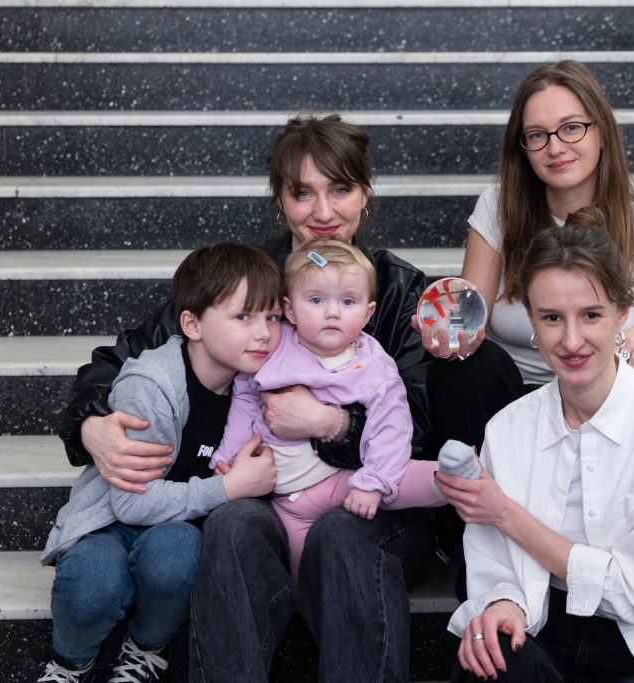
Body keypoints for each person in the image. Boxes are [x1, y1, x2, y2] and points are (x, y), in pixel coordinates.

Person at [57, 113, 436, 683]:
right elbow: (121, 359)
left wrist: (331, 423)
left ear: (365, 193)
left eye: (340, 189)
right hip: (271, 490)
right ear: (280, 200)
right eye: (302, 193)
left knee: (341, 533)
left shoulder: (401, 290)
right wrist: (90, 426)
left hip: (370, 500)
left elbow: (420, 426)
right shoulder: (251, 280)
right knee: (232, 522)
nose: (323, 212)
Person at [436, 210, 634, 682]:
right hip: (541, 623)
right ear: (531, 319)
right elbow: (494, 562)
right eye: (552, 318)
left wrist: (506, 513)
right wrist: (504, 603)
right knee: (489, 662)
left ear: (622, 312)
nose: (572, 341)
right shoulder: (507, 429)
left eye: (590, 315)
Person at [38, 243, 281, 683]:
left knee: (177, 558)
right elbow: (131, 503)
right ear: (192, 324)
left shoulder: (258, 385)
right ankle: (70, 663)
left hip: (176, 525)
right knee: (93, 581)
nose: (264, 332)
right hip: (110, 521)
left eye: (273, 317)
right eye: (243, 317)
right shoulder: (152, 384)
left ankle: (145, 649)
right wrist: (227, 488)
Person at [422, 59, 634, 454]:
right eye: (537, 135)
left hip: (606, 396)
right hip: (513, 402)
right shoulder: (499, 208)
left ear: (602, 132)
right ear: (522, 148)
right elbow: (466, 318)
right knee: (466, 367)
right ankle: (468, 484)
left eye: (571, 127)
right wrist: (447, 328)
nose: (555, 148)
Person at [213, 236, 445, 579]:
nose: (332, 312)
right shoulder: (273, 347)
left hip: (346, 479)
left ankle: (450, 479)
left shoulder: (372, 364)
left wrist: (373, 482)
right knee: (305, 583)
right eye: (316, 300)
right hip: (287, 501)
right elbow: (245, 398)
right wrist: (228, 455)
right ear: (289, 309)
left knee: (401, 476)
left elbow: (392, 425)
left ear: (368, 314)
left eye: (348, 301)